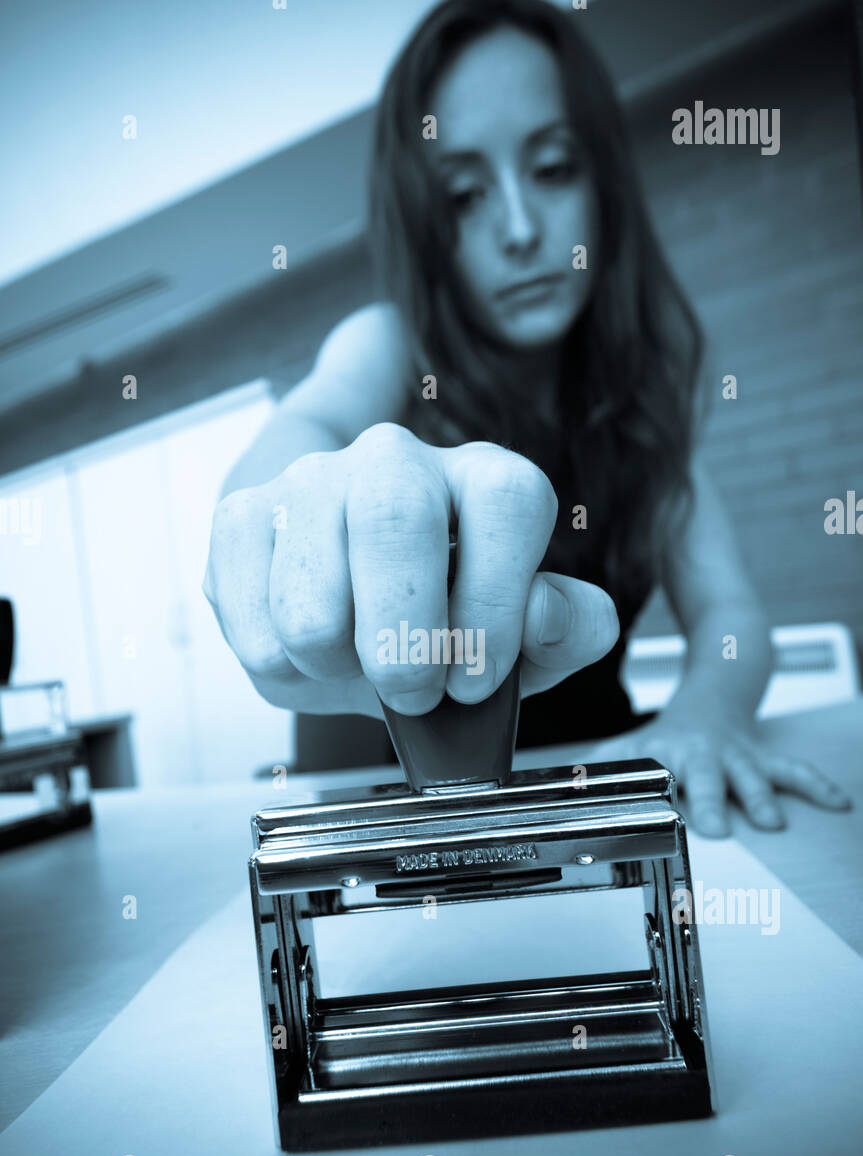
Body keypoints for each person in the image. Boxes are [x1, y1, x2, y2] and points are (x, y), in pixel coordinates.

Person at [204, 0, 850, 836]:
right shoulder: (389, 345)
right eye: (465, 194)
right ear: (426, 224)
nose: (517, 230)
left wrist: (705, 714)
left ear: (602, 186)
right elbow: (300, 433)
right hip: (378, 817)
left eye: (552, 169)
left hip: (593, 801)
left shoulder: (641, 393)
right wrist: (281, 516)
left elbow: (731, 616)